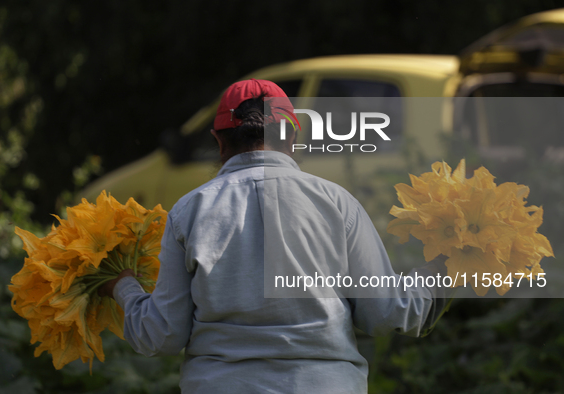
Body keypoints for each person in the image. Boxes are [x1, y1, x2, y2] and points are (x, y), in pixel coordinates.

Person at [99, 79, 447, 393]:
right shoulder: (338, 205)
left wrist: (123, 286)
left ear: (217, 140)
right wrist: (448, 267)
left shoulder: (188, 212)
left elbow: (162, 336)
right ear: (292, 137)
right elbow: (386, 313)